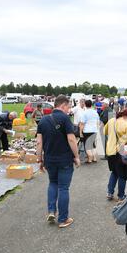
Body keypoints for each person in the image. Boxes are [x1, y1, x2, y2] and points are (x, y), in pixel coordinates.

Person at [36, 95, 80, 228]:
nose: (69, 110)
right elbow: (72, 140)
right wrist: (77, 156)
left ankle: (51, 211)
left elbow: (39, 143)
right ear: (63, 105)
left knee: (53, 183)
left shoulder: (43, 120)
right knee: (63, 188)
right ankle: (63, 219)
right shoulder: (65, 119)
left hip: (50, 160)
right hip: (64, 160)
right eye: (69, 107)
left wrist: (39, 159)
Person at [104, 107, 127, 201]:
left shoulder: (112, 120)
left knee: (114, 172)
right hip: (122, 151)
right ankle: (121, 196)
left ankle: (110, 193)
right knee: (122, 175)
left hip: (111, 150)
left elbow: (104, 131)